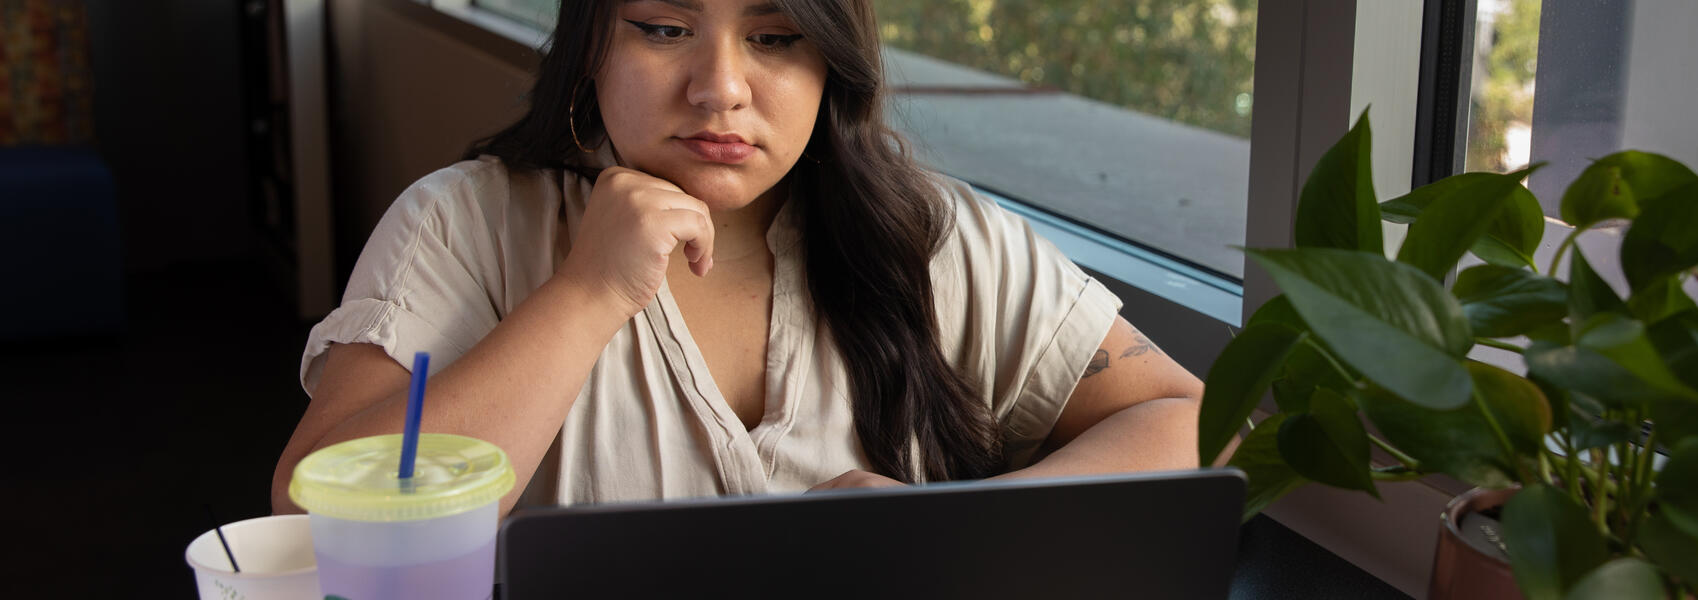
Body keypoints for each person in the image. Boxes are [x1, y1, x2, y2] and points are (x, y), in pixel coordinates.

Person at [270, 0, 1202, 516]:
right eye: (663, 28)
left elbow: (1189, 418)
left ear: (831, 61)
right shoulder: (460, 225)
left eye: (774, 37)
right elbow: (313, 512)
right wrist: (585, 295)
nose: (719, 87)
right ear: (590, 46)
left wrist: (962, 531)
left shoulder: (936, 237)